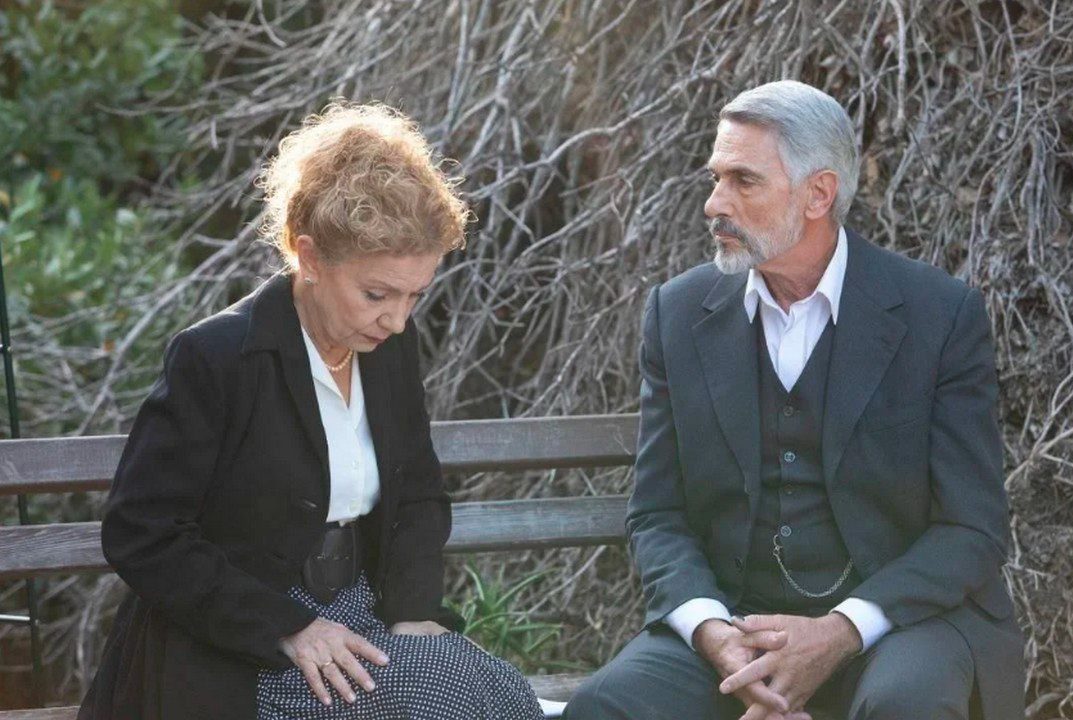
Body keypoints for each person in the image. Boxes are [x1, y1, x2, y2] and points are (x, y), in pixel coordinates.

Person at [566, 81, 1025, 720]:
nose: (714, 203)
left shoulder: (939, 315)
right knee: (607, 707)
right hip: (737, 626)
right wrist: (713, 632)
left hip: (896, 624)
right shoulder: (678, 313)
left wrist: (841, 630)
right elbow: (657, 514)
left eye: (744, 181)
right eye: (716, 178)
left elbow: (971, 528)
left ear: (819, 194)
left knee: (906, 705)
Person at [78, 102, 543, 720]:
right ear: (311, 257)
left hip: (357, 614)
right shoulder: (217, 357)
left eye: (415, 295)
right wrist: (289, 627)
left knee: (500, 689)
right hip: (240, 645)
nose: (397, 320)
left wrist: (412, 612)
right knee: (444, 692)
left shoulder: (387, 347)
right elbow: (142, 534)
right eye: (377, 294)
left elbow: (418, 493)